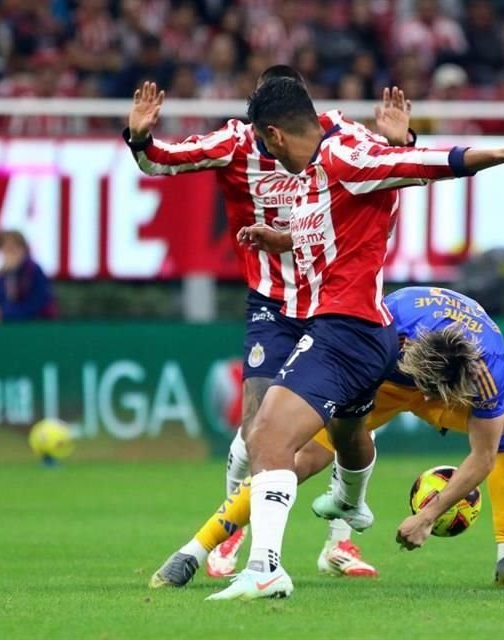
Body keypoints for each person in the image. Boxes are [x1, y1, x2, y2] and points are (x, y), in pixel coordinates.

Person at [204, 77, 504, 600]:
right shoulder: (322, 171)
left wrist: (499, 153)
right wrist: (283, 236)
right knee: (286, 440)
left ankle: (259, 559)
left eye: (260, 144)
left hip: (350, 333)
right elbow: (345, 217)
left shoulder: (342, 158)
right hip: (374, 346)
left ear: (273, 136)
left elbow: (428, 166)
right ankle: (325, 520)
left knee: (270, 438)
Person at [127, 67, 414, 581]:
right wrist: (142, 135)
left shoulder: (340, 136)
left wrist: (403, 140)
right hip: (274, 304)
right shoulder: (237, 144)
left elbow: (396, 169)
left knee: (345, 430)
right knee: (258, 428)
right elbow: (159, 164)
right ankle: (232, 534)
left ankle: (340, 539)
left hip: (336, 300)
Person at [158, 286, 504, 590]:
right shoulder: (388, 323)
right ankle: (194, 550)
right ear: (410, 349)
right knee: (299, 457)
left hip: (441, 380)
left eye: (434, 395)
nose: (427, 401)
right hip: (380, 379)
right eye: (427, 389)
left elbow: (483, 457)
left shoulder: (488, 369)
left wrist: (427, 516)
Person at [0, 230, 56, 323]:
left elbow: (36, 305)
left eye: (14, 248)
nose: (10, 254)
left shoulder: (34, 271)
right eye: (6, 249)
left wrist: (4, 313)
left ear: (23, 249)